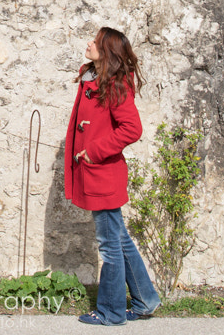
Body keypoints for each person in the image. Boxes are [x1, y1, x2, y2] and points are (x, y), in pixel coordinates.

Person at [65, 27, 161, 325]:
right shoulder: (95, 79)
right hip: (98, 174)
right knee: (119, 239)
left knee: (109, 244)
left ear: (106, 52)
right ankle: (146, 300)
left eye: (95, 42)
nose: (89, 44)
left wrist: (94, 151)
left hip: (103, 176)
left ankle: (111, 311)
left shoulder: (115, 86)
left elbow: (132, 129)